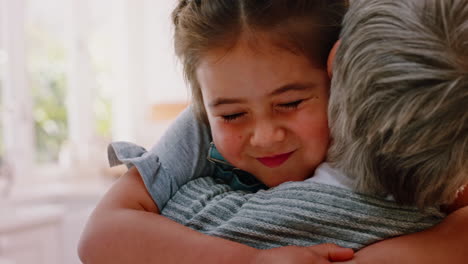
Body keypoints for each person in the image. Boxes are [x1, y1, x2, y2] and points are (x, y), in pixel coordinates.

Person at [78, 0, 468, 263]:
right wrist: (251, 260)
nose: (264, 135)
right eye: (232, 115)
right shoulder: (199, 129)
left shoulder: (373, 128)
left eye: (291, 104)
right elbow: (100, 236)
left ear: (339, 76)